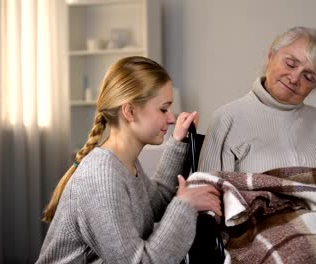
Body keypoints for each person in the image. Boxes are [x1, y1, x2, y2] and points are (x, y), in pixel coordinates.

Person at [37, 56, 222, 264]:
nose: (171, 118)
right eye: (163, 109)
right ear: (130, 111)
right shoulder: (103, 176)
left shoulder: (124, 163)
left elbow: (155, 204)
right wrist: (185, 206)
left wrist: (177, 142)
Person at [198, 26, 316, 173]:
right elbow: (206, 191)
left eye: (308, 77)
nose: (294, 78)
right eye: (290, 64)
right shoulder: (227, 119)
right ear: (271, 56)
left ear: (315, 86)